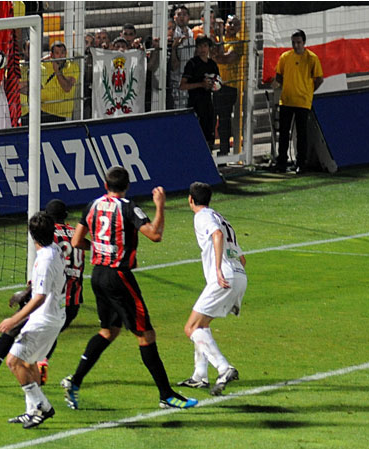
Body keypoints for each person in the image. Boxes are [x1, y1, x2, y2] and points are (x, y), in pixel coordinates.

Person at [60, 166, 198, 411]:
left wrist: (102, 249)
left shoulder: (92, 205)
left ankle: (75, 381)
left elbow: (76, 241)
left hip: (98, 275)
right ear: (127, 186)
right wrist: (159, 205)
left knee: (108, 331)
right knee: (146, 335)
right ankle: (166, 395)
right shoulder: (128, 207)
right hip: (118, 277)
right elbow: (155, 235)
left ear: (105, 185)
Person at [0, 199, 87, 389]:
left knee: (10, 332)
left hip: (50, 299)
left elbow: (44, 278)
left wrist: (24, 294)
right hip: (72, 300)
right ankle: (42, 363)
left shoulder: (48, 238)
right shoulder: (76, 234)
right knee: (49, 335)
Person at [178, 182, 247, 396]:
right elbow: (242, 258)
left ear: (190, 199)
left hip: (224, 276)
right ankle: (199, 376)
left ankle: (224, 368)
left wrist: (217, 269)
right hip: (239, 275)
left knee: (190, 328)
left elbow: (216, 235)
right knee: (202, 325)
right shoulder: (221, 218)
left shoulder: (203, 217)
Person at [0, 212, 66, 429]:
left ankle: (43, 406)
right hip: (52, 316)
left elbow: (40, 297)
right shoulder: (54, 249)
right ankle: (31, 412)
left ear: (31, 235)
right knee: (29, 363)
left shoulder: (45, 259)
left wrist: (13, 319)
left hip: (44, 320)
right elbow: (42, 287)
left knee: (12, 361)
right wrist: (24, 292)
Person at [273, 29, 323, 174]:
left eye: (298, 42)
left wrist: (308, 91)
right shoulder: (285, 57)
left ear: (304, 42)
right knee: (283, 133)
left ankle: (301, 163)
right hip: (287, 100)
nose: (296, 45)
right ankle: (282, 162)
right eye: (294, 43)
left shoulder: (312, 58)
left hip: (302, 101)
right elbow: (279, 75)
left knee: (301, 134)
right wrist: (287, 86)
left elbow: (319, 79)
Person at [20, 41, 79, 124]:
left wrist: (57, 71)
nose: (60, 55)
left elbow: (67, 87)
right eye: (57, 53)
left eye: (63, 52)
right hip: (42, 110)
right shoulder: (44, 65)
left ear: (66, 53)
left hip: (59, 113)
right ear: (52, 55)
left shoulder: (71, 66)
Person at [180, 36, 220, 147]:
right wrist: (200, 84)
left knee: (209, 133)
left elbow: (218, 84)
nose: (202, 49)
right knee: (196, 135)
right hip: (195, 104)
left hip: (208, 104)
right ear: (196, 48)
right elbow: (182, 86)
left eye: (205, 46)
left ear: (209, 48)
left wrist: (212, 85)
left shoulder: (212, 65)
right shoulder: (192, 64)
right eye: (200, 46)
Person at [212, 15, 243, 157]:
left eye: (235, 24)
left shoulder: (238, 43)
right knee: (211, 118)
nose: (231, 26)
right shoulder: (220, 40)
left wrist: (217, 54)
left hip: (229, 85)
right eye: (230, 23)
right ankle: (210, 147)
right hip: (214, 84)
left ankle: (224, 151)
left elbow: (223, 59)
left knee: (224, 119)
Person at [170, 5, 195, 109]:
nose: (181, 17)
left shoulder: (191, 33)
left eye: (184, 14)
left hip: (191, 79)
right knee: (179, 108)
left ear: (188, 17)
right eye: (179, 14)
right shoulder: (172, 34)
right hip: (178, 79)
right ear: (174, 17)